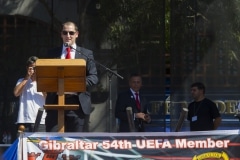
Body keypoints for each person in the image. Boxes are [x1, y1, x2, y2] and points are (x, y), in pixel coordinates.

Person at [45, 21, 98, 132]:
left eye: (71, 33)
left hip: (77, 102)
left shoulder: (86, 54)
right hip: (55, 101)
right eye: (65, 32)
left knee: (75, 142)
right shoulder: (52, 53)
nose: (68, 36)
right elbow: (45, 75)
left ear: (77, 34)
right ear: (61, 34)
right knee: (53, 141)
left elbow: (93, 77)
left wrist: (76, 84)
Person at [13, 56, 46, 132]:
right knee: (23, 144)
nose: (33, 70)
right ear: (27, 68)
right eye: (31, 68)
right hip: (24, 121)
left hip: (41, 121)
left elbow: (48, 97)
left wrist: (40, 78)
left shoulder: (43, 81)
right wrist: (27, 77)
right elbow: (16, 93)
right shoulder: (21, 80)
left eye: (35, 68)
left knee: (40, 144)